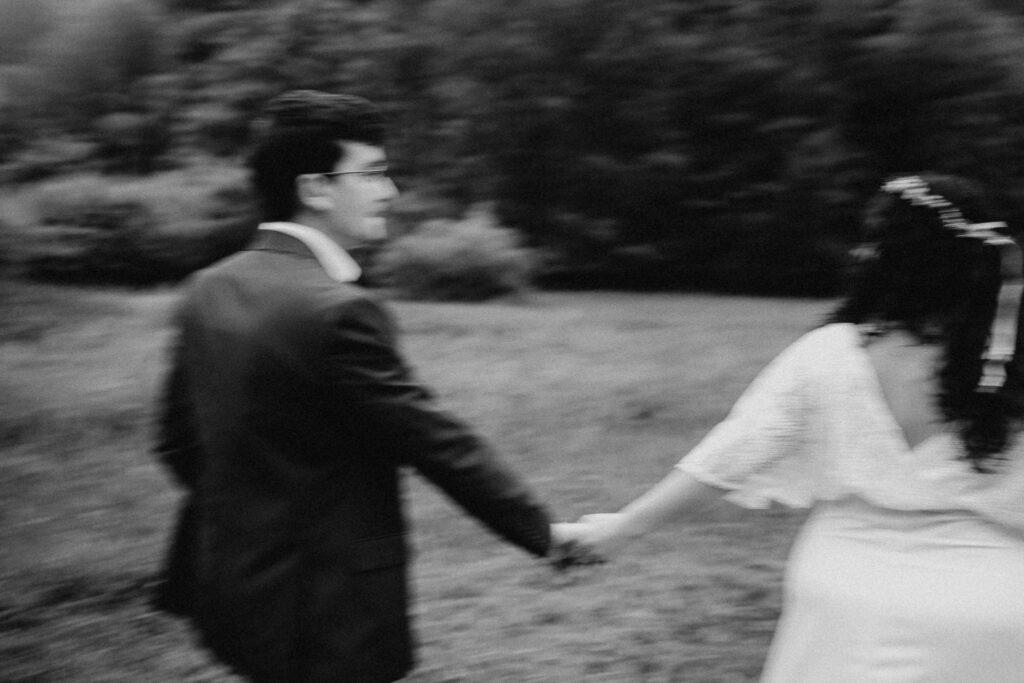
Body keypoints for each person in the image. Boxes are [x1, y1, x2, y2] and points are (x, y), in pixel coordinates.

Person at [152, 90, 564, 683]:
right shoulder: (340, 311)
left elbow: (177, 443)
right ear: (315, 188)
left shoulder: (206, 289)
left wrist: (258, 518)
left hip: (238, 590)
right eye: (372, 173)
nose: (390, 191)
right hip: (331, 614)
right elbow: (435, 442)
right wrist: (545, 532)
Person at [557, 174, 1024, 682]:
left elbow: (728, 457)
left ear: (882, 257)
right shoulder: (1012, 371)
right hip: (989, 610)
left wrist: (621, 529)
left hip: (841, 597)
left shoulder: (828, 355)